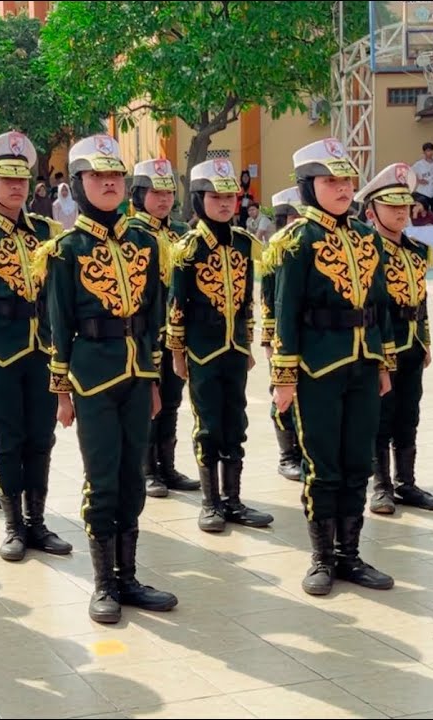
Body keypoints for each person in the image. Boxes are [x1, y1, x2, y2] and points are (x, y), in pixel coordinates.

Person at [42, 134, 177, 624]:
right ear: (79, 184)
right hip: (92, 377)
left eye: (115, 175)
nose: (108, 183)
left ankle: (128, 577)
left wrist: (155, 378)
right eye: (97, 176)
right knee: (102, 479)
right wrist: (62, 392)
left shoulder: (146, 242)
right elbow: (58, 325)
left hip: (138, 374)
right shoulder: (65, 249)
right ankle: (103, 583)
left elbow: (154, 315)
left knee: (132, 479)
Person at [268, 137, 395, 597]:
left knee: (358, 460)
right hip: (317, 368)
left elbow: (380, 304)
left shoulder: (367, 237)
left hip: (363, 363)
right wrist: (284, 379)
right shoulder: (295, 241)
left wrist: (383, 362)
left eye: (347, 180)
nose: (342, 189)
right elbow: (285, 311)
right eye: (330, 181)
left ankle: (350, 555)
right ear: (308, 185)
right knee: (322, 465)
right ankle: (322, 557)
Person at [0, 131, 72, 562]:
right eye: (7, 179)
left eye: (22, 178)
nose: (17, 187)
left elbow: (58, 298)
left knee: (41, 437)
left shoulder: (47, 232)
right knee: (7, 439)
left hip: (42, 350)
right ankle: (12, 525)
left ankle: (37, 522)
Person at [167, 158, 272, 535]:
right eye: (216, 197)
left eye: (230, 197)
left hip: (234, 348)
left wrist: (247, 344)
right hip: (202, 349)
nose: (225, 204)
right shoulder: (187, 247)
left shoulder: (244, 242)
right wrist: (177, 353)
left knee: (236, 421)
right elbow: (176, 304)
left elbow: (246, 301)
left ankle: (234, 499)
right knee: (208, 424)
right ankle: (210, 502)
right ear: (199, 199)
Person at [355, 163, 433, 515]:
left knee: (409, 414)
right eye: (391, 205)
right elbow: (368, 305)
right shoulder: (366, 250)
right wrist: (376, 352)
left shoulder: (417, 250)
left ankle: (406, 483)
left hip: (412, 344)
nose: (400, 212)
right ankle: (381, 486)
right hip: (383, 344)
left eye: (404, 205)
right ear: (371, 211)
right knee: (381, 416)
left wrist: (425, 339)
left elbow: (421, 300)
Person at [129, 159, 198, 498]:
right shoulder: (131, 233)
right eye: (156, 192)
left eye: (169, 192)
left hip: (176, 330)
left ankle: (167, 466)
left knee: (171, 399)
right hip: (144, 329)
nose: (164, 199)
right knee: (146, 399)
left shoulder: (183, 232)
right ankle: (146, 470)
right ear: (139, 195)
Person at [258, 187, 305, 483]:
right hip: (281, 337)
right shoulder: (274, 253)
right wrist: (269, 344)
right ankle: (288, 455)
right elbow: (268, 302)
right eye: (296, 216)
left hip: (312, 336)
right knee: (282, 395)